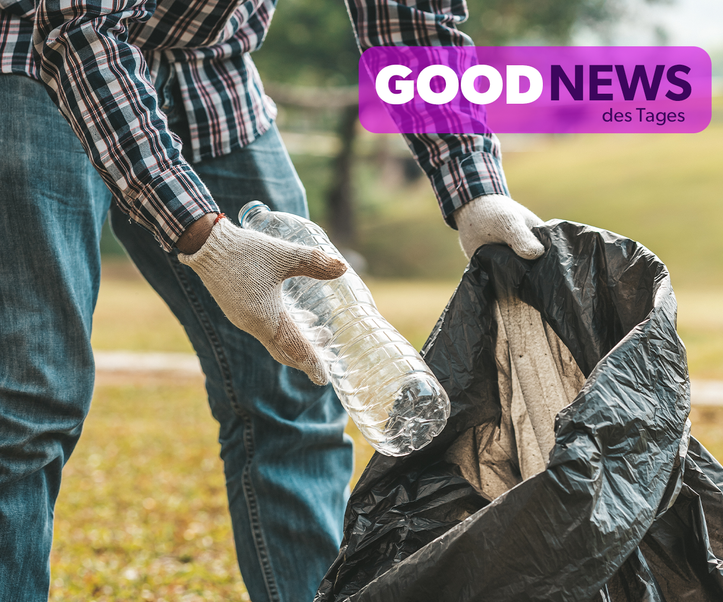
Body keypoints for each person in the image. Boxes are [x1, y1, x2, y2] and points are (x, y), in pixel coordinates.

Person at [0, 0, 544, 599]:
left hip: (209, 68)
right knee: (30, 401)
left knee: (298, 389)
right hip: (43, 54)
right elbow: (74, 25)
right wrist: (207, 239)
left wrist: (473, 187)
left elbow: (407, 13)